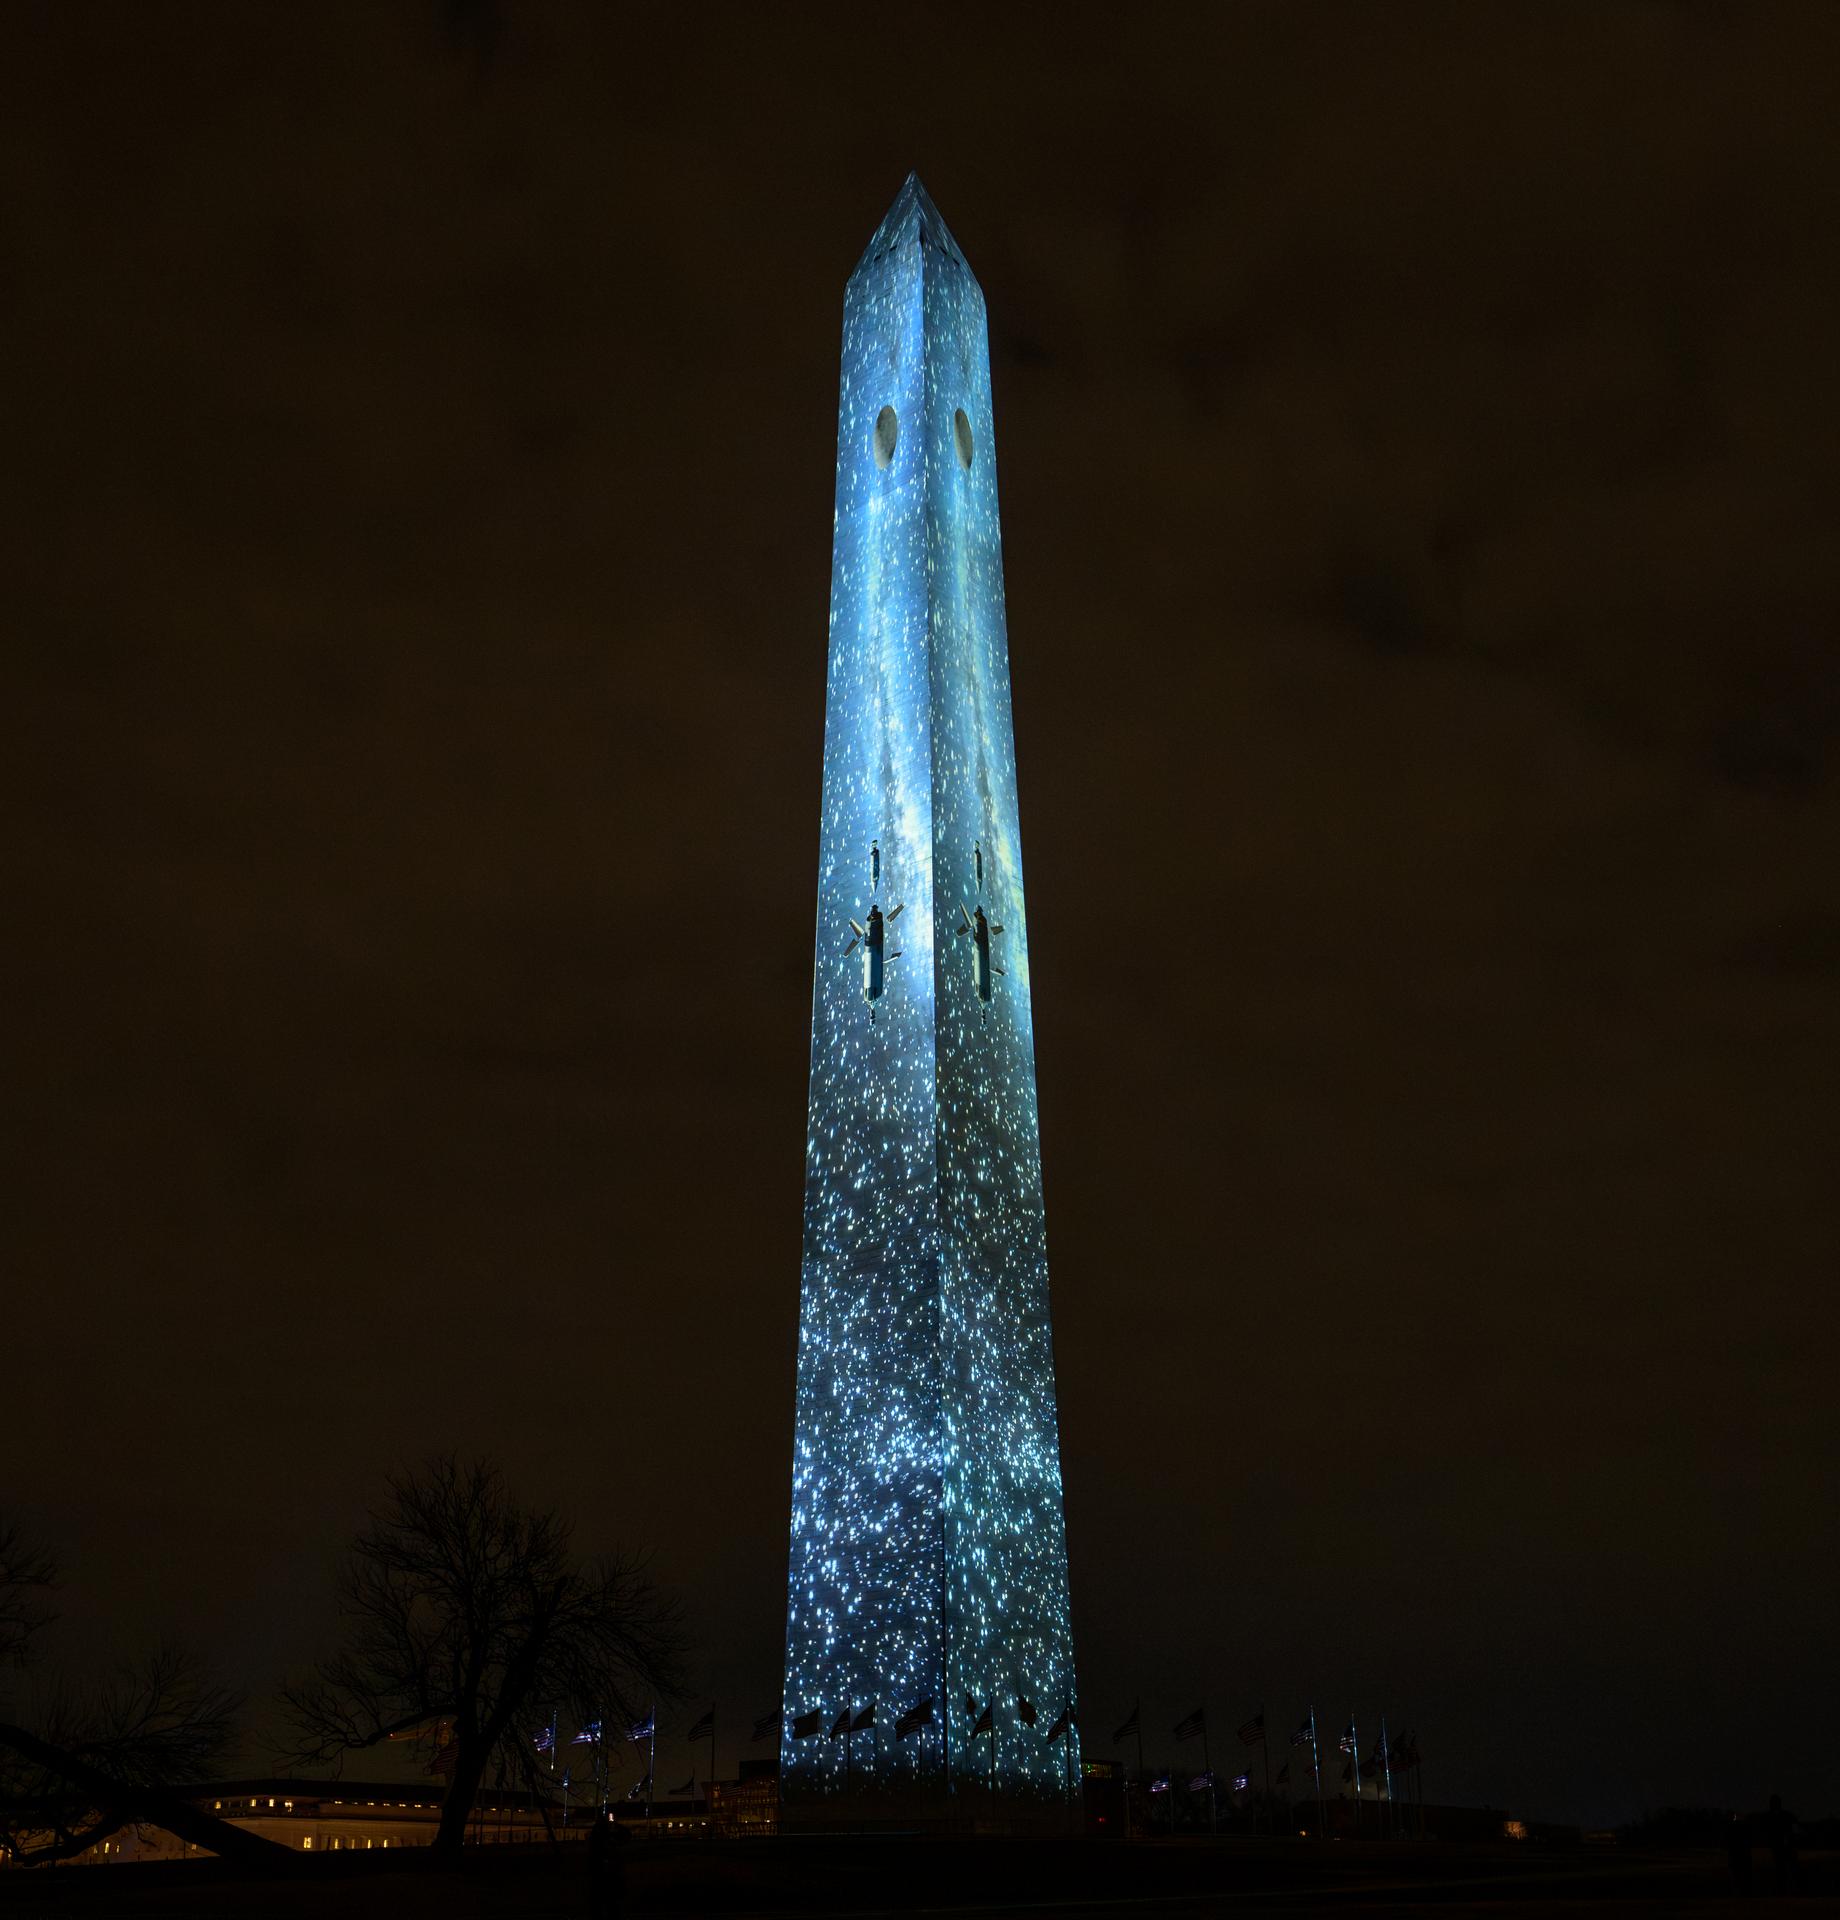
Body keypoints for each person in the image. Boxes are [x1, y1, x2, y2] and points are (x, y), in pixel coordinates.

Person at [1762, 1794, 1798, 1896]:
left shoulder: (1772, 1816)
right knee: (1782, 1869)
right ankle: (1784, 1890)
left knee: (1786, 1869)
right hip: (1780, 1847)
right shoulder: (1784, 1815)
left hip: (1784, 1847)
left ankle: (1787, 1890)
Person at [1726, 1810, 1753, 1894]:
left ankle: (1737, 1890)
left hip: (1737, 1853)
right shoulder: (1741, 1827)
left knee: (1736, 1873)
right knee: (1740, 1873)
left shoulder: (1732, 1827)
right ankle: (1741, 1890)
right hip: (1739, 1853)